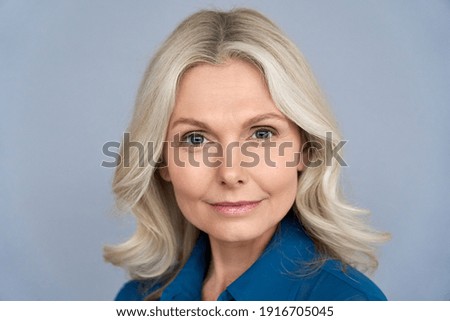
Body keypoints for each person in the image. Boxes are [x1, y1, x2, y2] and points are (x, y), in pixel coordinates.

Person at [104, 8, 389, 301]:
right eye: (196, 138)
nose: (230, 173)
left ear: (306, 149)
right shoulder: (136, 300)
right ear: (161, 160)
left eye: (262, 134)